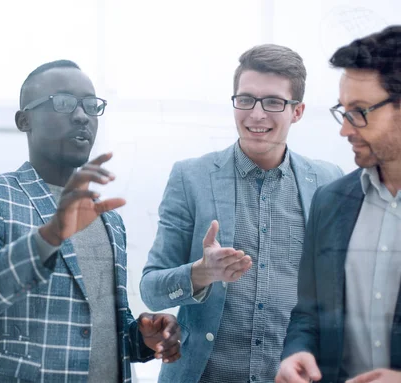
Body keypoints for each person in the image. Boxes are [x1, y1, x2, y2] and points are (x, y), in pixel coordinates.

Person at [0, 59, 181, 383]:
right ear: (24, 120)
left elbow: (104, 328)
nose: (82, 115)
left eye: (90, 105)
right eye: (64, 102)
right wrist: (50, 236)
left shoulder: (108, 218)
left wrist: (143, 337)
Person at [140, 44, 343, 383]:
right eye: (245, 99)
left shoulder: (327, 181)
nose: (256, 114)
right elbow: (151, 288)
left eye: (273, 102)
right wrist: (200, 273)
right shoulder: (190, 178)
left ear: (297, 111)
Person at [276, 26, 401, 383]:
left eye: (360, 112)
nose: (345, 130)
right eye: (343, 111)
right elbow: (308, 314)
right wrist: (297, 352)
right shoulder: (330, 202)